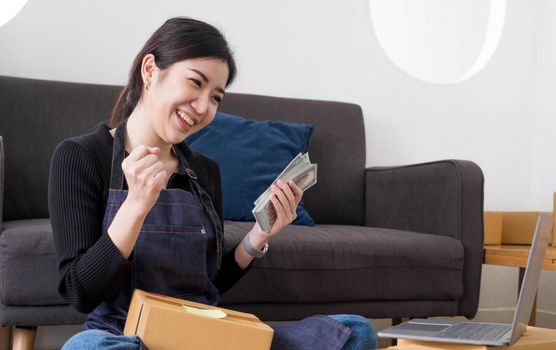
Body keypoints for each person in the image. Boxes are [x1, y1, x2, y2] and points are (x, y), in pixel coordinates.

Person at [48, 17, 376, 350]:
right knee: (87, 347)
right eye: (195, 82)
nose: (203, 107)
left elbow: (209, 282)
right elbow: (79, 291)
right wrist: (135, 205)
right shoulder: (81, 157)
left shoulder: (204, 171)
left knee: (354, 331)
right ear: (150, 70)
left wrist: (258, 236)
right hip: (125, 338)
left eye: (216, 97)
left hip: (203, 338)